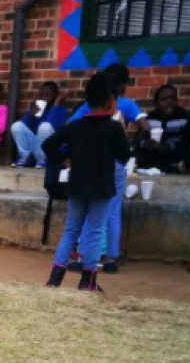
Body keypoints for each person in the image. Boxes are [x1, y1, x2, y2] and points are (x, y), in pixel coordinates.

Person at [43, 72, 131, 293]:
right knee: (94, 230)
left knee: (71, 229)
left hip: (77, 185)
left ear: (87, 102)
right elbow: (124, 155)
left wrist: (65, 159)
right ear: (112, 102)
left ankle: (55, 278)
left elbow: (48, 145)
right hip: (101, 186)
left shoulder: (75, 126)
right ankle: (87, 280)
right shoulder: (113, 128)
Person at [67, 64, 149, 274]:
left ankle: (85, 257)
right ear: (124, 85)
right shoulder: (127, 106)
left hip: (92, 163)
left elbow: (69, 128)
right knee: (112, 211)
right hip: (116, 164)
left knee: (89, 211)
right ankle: (110, 258)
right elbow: (145, 126)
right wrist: (134, 145)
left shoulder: (90, 104)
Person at [137, 84, 190, 173]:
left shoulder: (184, 118)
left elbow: (188, 141)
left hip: (175, 154)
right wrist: (146, 143)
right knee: (138, 153)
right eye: (164, 99)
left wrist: (170, 146)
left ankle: (177, 166)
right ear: (156, 103)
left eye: (173, 98)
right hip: (154, 154)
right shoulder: (150, 119)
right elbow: (138, 140)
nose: (169, 101)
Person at [10, 81, 68, 168]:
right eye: (42, 95)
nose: (44, 98)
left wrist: (56, 105)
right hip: (36, 144)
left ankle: (42, 159)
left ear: (55, 96)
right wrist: (30, 115)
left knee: (45, 126)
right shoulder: (36, 106)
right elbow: (24, 128)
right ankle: (26, 157)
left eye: (47, 96)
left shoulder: (60, 109)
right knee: (16, 126)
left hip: (48, 147)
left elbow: (53, 127)